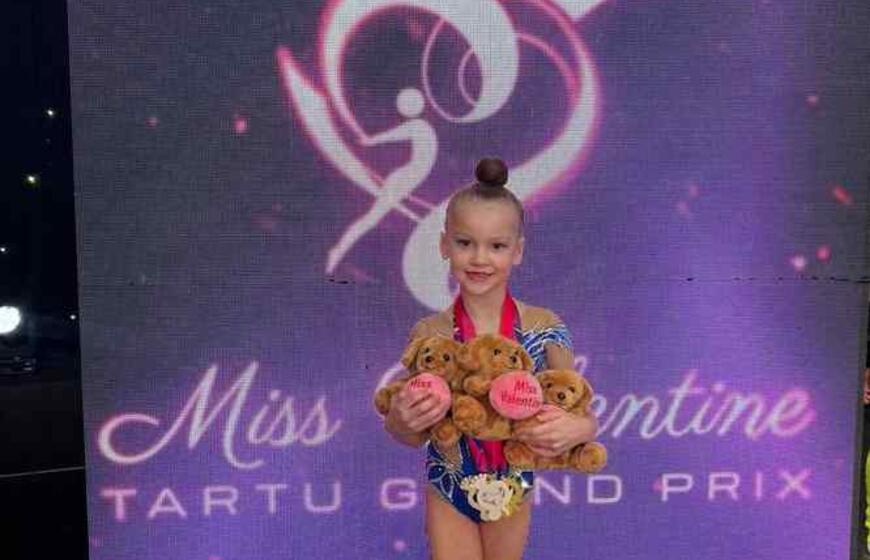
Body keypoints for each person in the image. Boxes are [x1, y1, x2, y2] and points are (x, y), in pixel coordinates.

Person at [383, 157, 599, 560]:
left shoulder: (544, 327)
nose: (480, 259)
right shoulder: (430, 334)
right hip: (448, 486)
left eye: (496, 246)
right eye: (465, 243)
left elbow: (581, 412)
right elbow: (409, 433)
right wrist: (400, 419)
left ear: (517, 251)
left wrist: (576, 428)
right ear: (444, 245)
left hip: (513, 484)